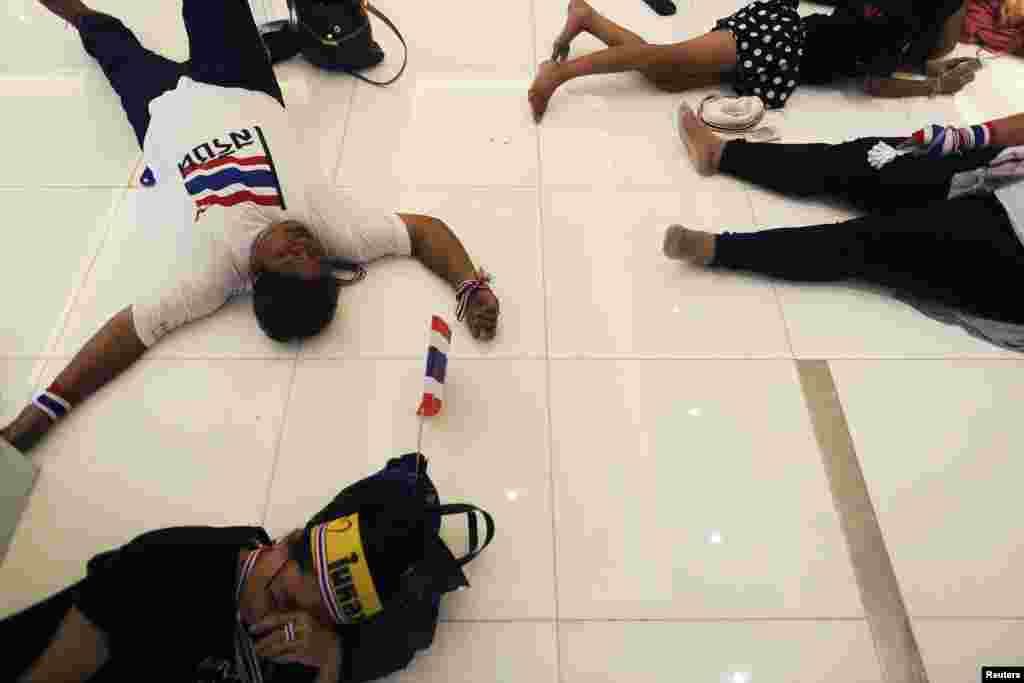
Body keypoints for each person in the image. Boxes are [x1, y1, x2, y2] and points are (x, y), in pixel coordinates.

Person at [1, 1, 501, 454]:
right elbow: (425, 233)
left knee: (104, 35)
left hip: (159, 109)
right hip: (239, 83)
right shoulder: (335, 234)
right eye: (311, 253)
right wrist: (469, 286)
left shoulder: (212, 276)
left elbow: (126, 334)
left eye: (290, 254)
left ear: (256, 278)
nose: (301, 240)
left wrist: (40, 415)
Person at [3, 453, 485, 683]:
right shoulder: (164, 568)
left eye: (311, 620)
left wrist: (331, 658)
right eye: (282, 599)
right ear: (286, 542)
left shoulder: (308, 640)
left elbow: (393, 640)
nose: (272, 624)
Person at [664, 103, 1024, 338]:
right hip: (1009, 173)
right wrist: (973, 136)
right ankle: (722, 153)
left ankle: (723, 249)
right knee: (870, 160)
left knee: (878, 241)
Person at [528, 0, 975, 123]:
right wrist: (933, 87)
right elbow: (876, 83)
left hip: (782, 51)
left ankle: (587, 18)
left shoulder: (900, 25)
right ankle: (559, 74)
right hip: (777, 40)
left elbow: (912, 56)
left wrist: (927, 71)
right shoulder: (902, 26)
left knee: (662, 74)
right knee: (661, 60)